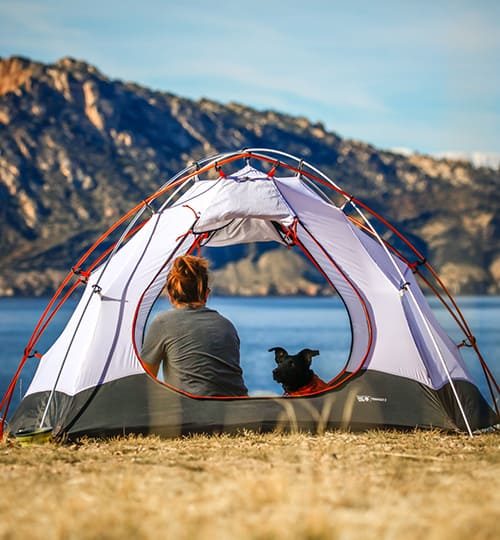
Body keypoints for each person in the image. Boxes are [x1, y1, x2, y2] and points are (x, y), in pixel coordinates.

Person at [141, 255, 248, 396]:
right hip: (239, 409)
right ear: (206, 294)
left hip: (192, 412)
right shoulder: (226, 325)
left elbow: (147, 379)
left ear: (170, 295)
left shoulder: (163, 323)